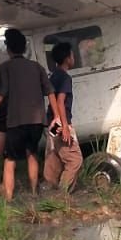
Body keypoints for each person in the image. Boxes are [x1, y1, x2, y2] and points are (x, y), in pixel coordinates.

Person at [0, 27, 51, 201]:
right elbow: (49, 91)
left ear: (8, 49)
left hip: (16, 120)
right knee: (32, 154)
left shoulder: (6, 68)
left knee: (10, 160)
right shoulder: (37, 67)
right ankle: (34, 193)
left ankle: (8, 198)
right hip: (36, 120)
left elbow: (1, 93)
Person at [43, 42, 83, 191]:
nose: (73, 58)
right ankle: (62, 193)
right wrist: (65, 126)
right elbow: (60, 101)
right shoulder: (65, 78)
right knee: (75, 159)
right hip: (60, 121)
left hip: (52, 121)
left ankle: (48, 186)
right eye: (72, 55)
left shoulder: (54, 76)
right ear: (67, 58)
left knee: (55, 155)